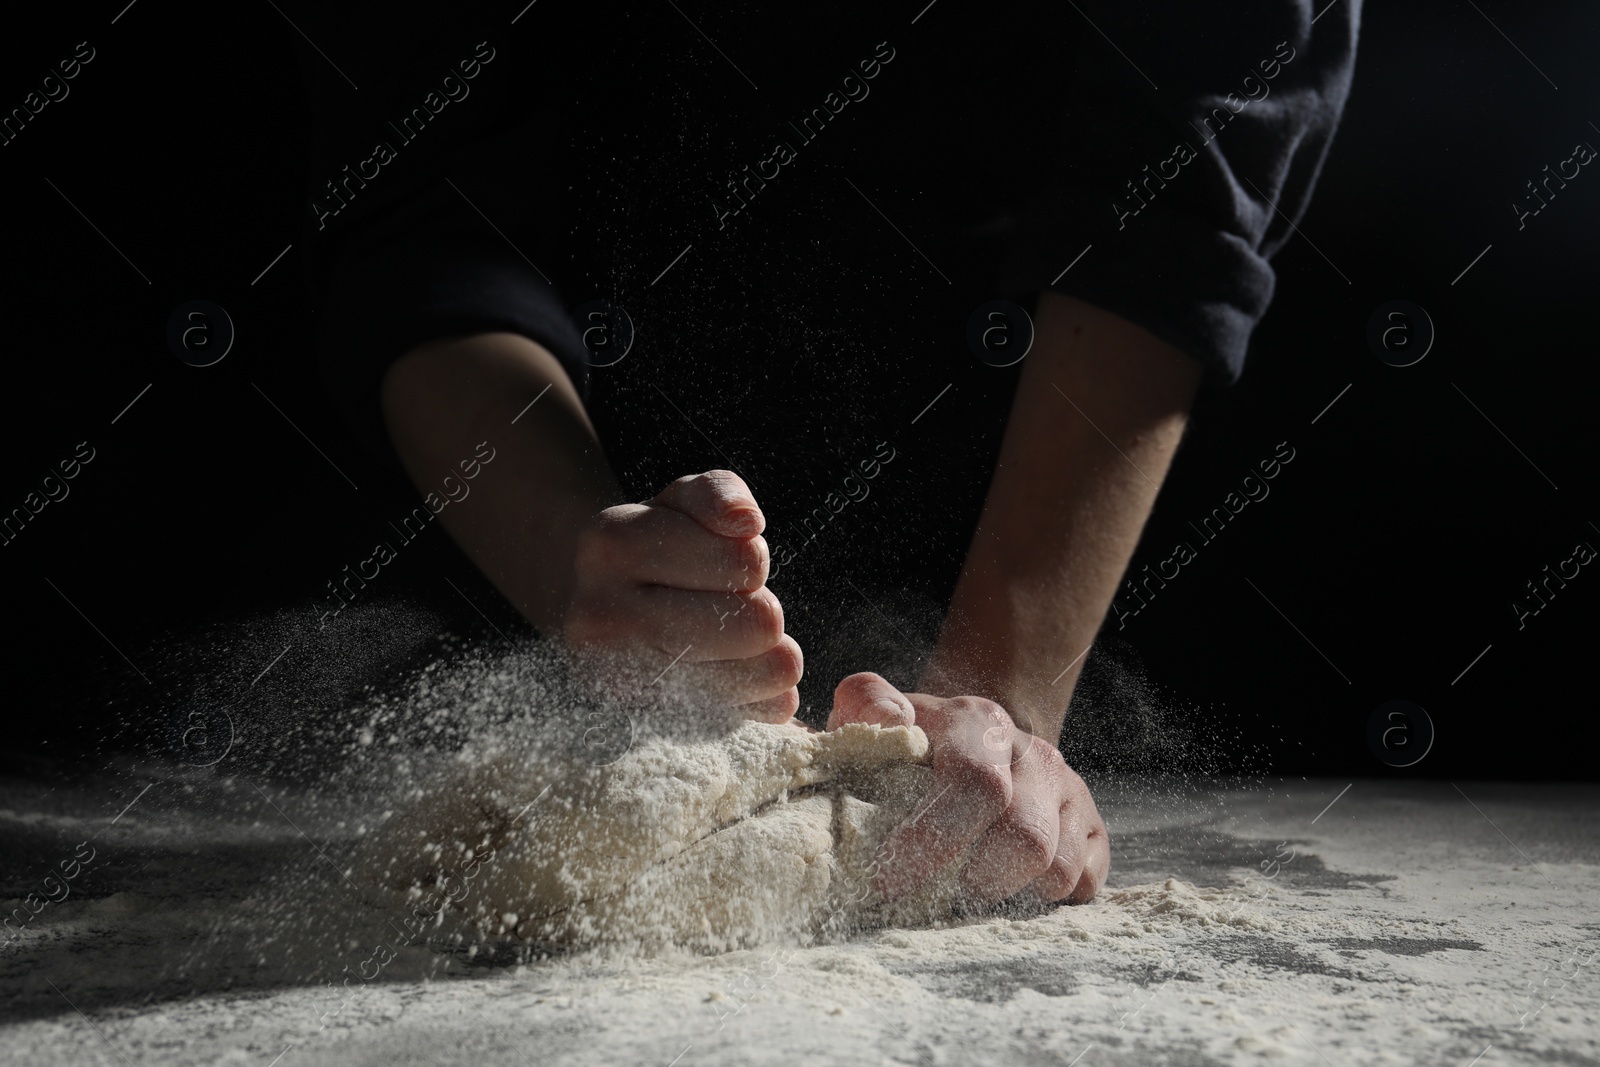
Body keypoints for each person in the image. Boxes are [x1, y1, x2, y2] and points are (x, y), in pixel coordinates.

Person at [304, 1, 1361, 910]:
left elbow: (1168, 212)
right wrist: (569, 551)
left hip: (1022, 450)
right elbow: (422, 220)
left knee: (953, 795)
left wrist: (999, 696)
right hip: (536, 446)